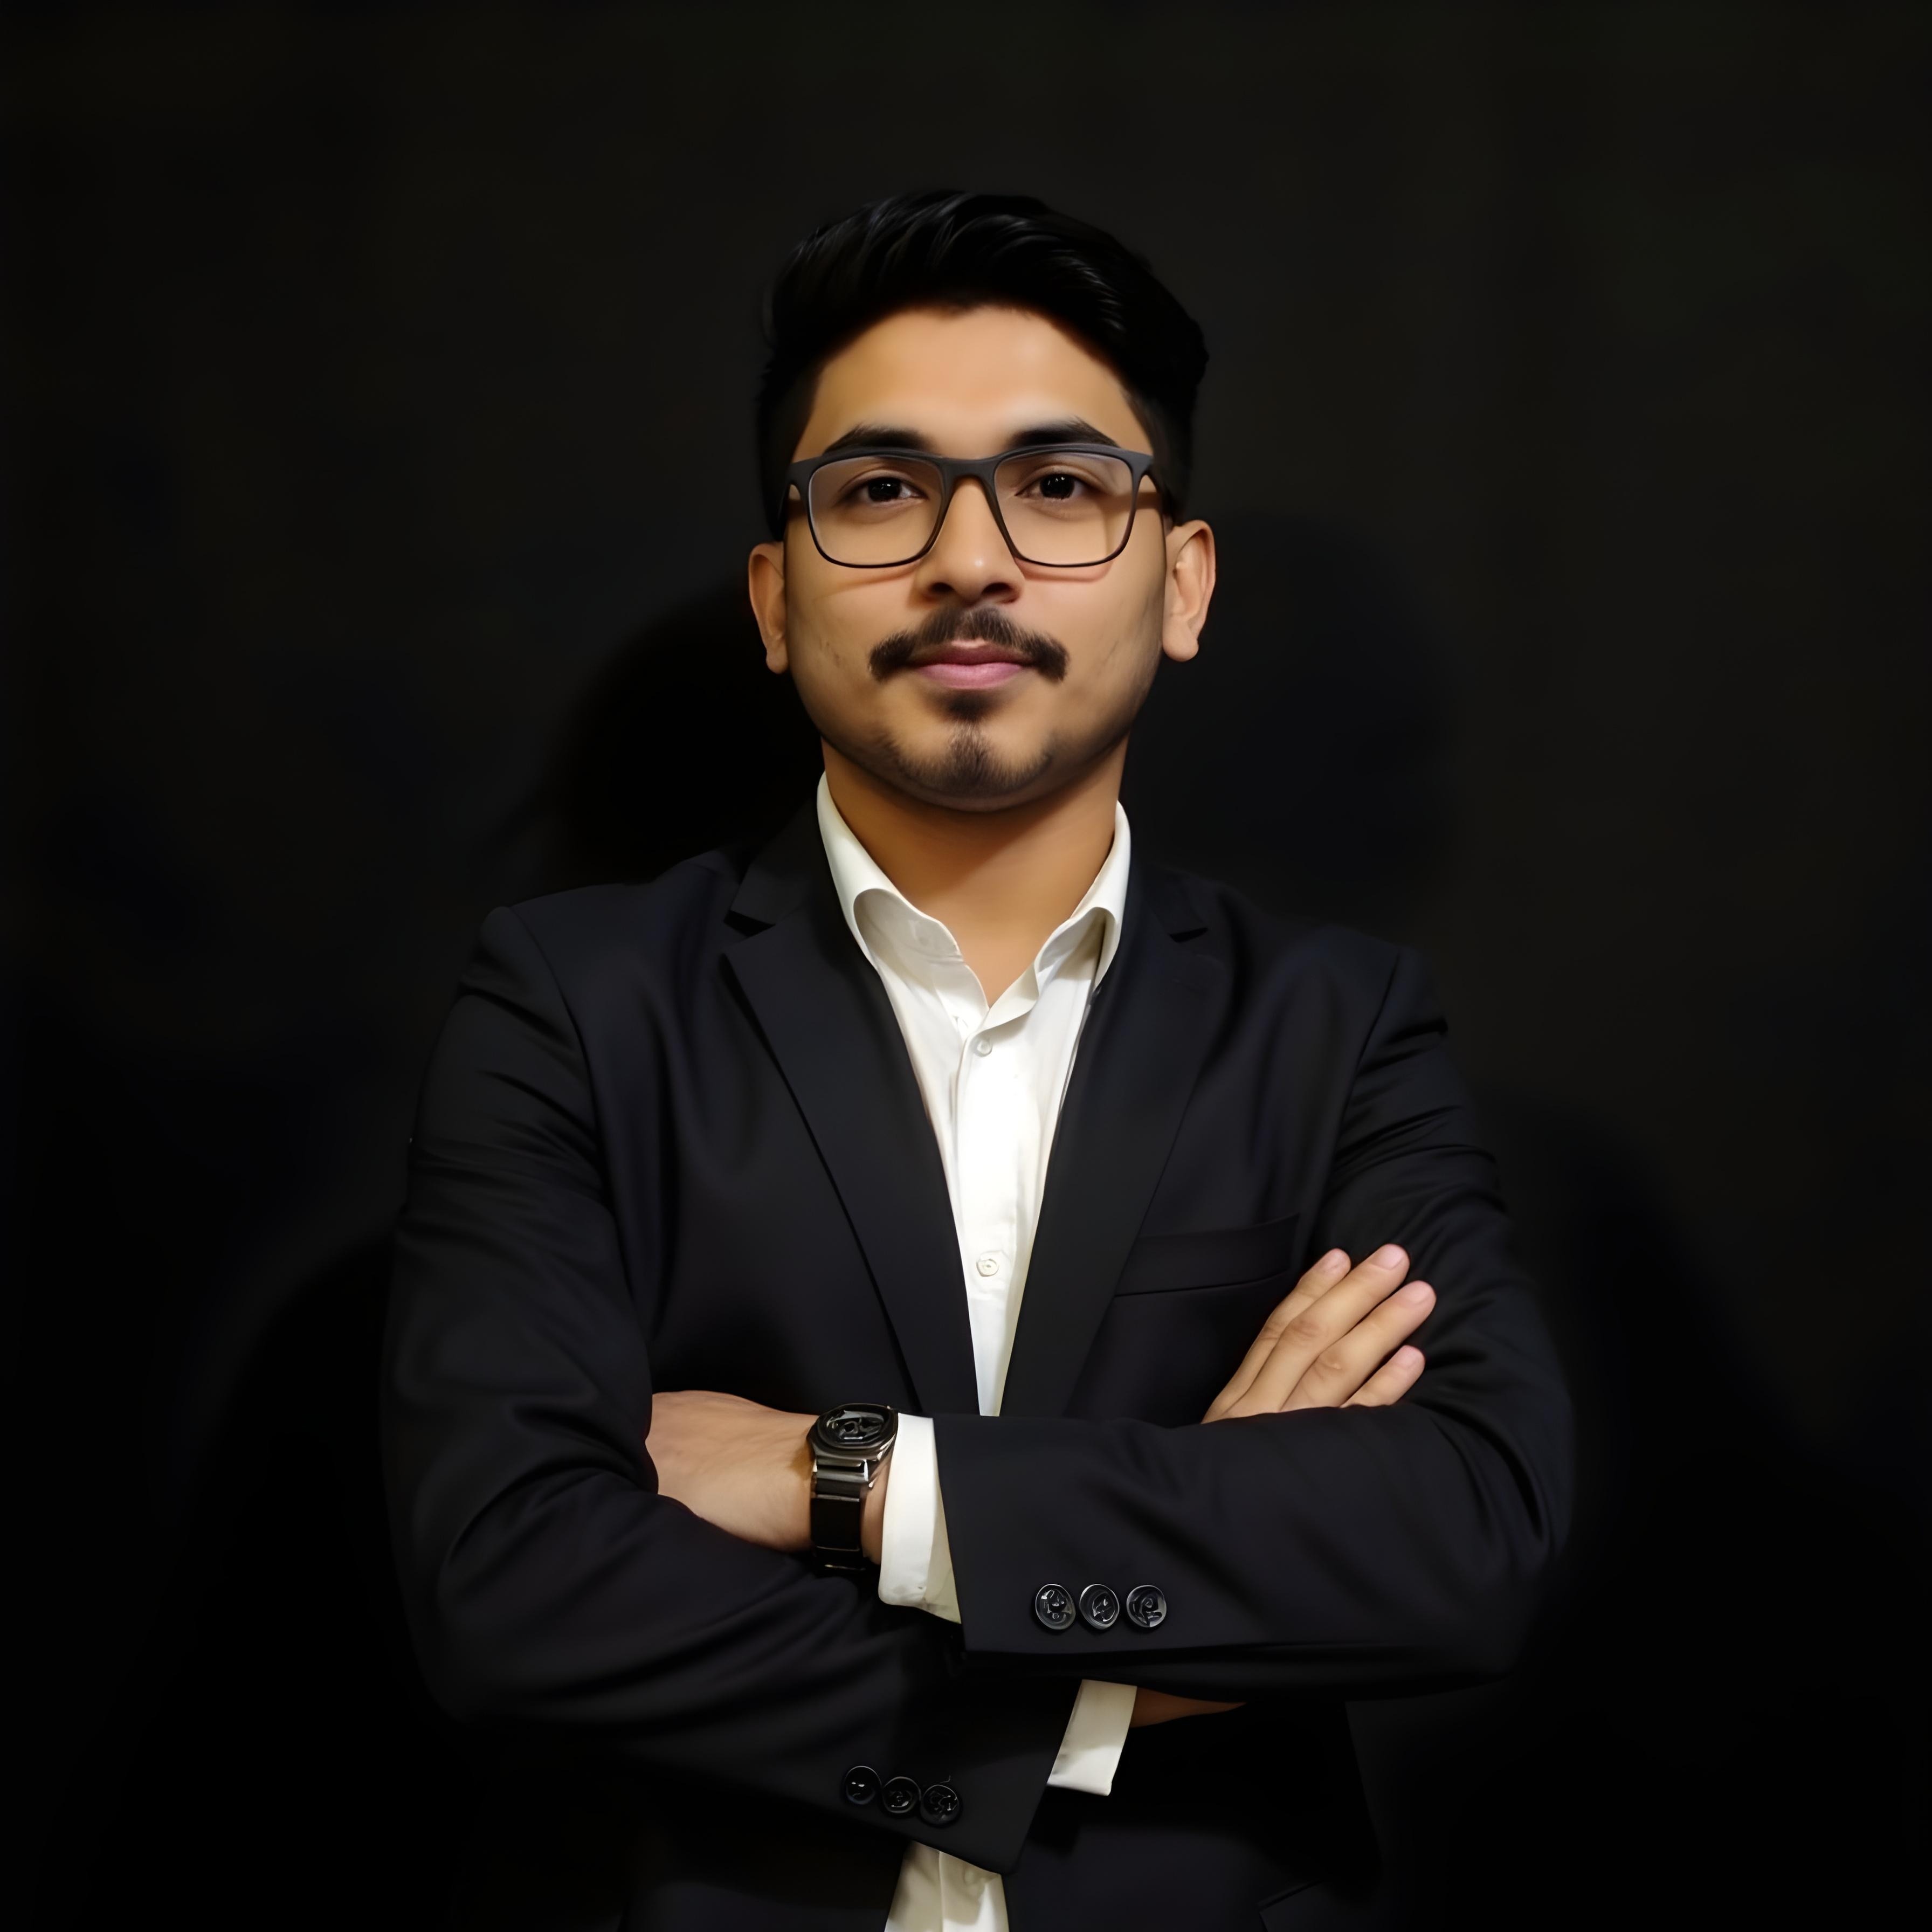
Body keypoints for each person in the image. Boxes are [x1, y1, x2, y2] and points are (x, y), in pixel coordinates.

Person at [384, 190, 1573, 1930]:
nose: (968, 559)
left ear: (1183, 584)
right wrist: (1124, 1659)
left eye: (1061, 487)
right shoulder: (577, 1003)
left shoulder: (1333, 1026)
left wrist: (846, 1477)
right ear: (774, 598)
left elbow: (1460, 1541)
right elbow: (511, 1583)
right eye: (880, 491)